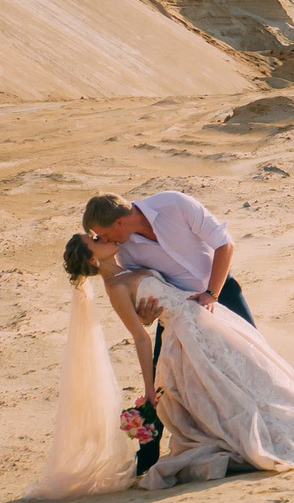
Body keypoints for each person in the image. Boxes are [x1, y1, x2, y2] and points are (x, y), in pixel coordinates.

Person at [54, 242, 294, 491]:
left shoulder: (129, 267)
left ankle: (289, 429)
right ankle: (253, 439)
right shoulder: (115, 286)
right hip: (186, 334)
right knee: (226, 388)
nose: (102, 237)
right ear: (94, 258)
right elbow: (141, 338)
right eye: (95, 240)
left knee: (251, 373)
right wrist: (148, 387)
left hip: (203, 317)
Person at [81, 191, 251, 474]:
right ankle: (147, 459)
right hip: (179, 315)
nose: (105, 241)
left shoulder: (174, 205)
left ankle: (254, 430)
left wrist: (212, 293)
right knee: (162, 381)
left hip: (221, 291)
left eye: (104, 234)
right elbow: (145, 288)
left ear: (120, 222)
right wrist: (145, 316)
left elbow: (224, 244)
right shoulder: (122, 251)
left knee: (251, 360)